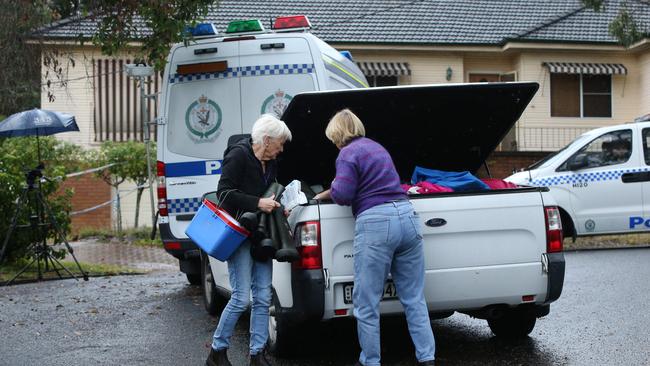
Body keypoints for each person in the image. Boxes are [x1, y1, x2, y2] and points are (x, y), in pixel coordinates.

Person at [314, 109, 435, 366]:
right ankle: (427, 359)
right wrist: (329, 191)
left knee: (367, 303)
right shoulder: (376, 148)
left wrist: (331, 189)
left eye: (332, 138)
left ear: (337, 134)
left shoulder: (346, 154)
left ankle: (370, 361)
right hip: (406, 216)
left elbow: (345, 195)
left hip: (377, 223)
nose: (333, 143)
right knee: (414, 299)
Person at [205, 114, 292, 366]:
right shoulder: (238, 155)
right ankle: (217, 351)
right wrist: (257, 203)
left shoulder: (271, 161)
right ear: (266, 140)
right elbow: (225, 193)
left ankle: (257, 354)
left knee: (263, 297)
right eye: (280, 143)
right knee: (242, 297)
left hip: (262, 235)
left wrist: (277, 205)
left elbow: (270, 189)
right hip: (240, 234)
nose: (281, 148)